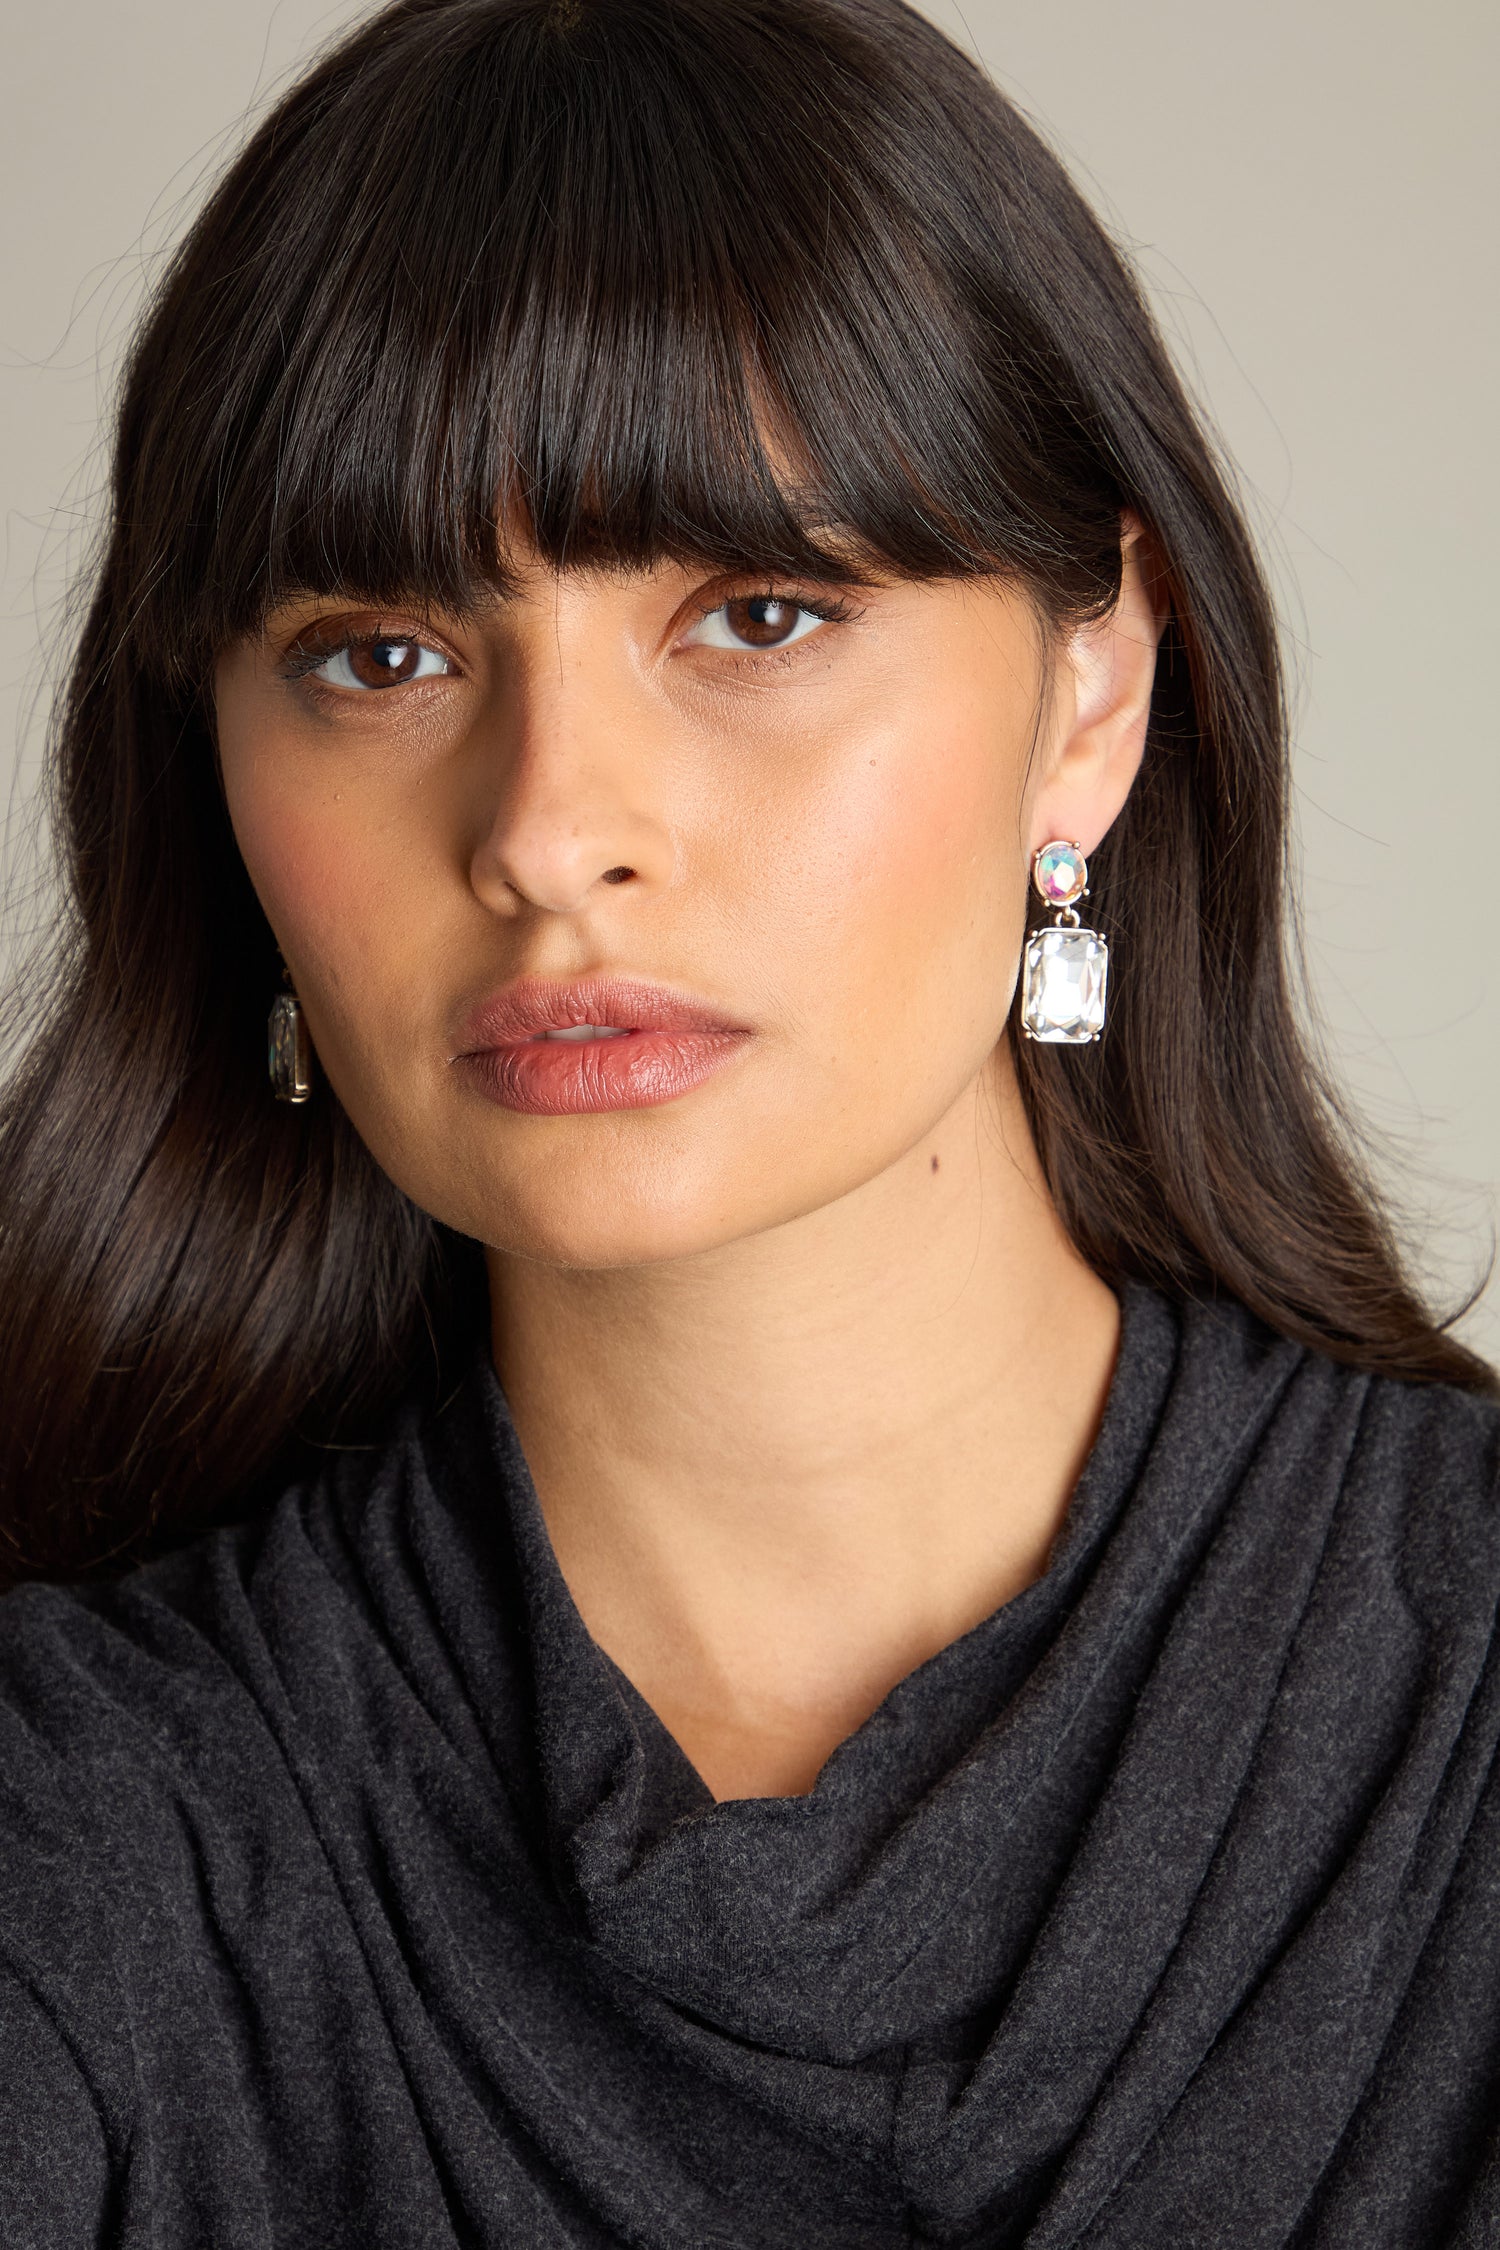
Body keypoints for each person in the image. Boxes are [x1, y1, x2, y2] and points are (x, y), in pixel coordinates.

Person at [1, 0, 1496, 2240]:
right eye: (380, 655)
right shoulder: (88, 1838)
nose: (550, 831)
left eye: (758, 612)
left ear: (1092, 686)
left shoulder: (1457, 1702)